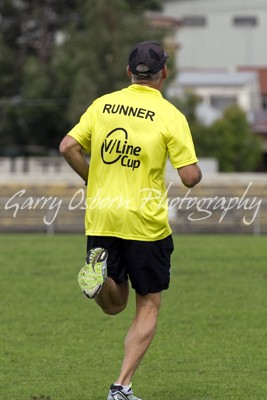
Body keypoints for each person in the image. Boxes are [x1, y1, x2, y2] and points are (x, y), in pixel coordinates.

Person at [59, 40, 202, 400]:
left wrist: (93, 179)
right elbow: (188, 176)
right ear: (164, 73)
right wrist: (195, 172)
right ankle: (121, 387)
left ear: (129, 73)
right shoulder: (170, 115)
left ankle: (98, 275)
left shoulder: (103, 105)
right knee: (148, 303)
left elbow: (67, 147)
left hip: (103, 215)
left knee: (113, 304)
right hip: (145, 222)